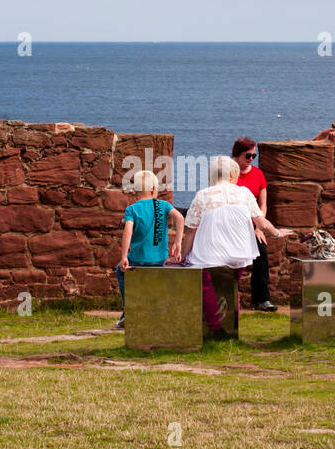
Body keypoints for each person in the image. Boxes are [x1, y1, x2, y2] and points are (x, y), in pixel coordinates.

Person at [183, 155, 293, 339]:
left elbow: (191, 232)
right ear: (233, 174)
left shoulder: (203, 195)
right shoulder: (244, 193)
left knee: (204, 283)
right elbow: (262, 223)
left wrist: (183, 256)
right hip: (240, 254)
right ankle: (232, 323)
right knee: (231, 284)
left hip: (209, 254)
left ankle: (216, 327)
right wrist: (277, 233)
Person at [114, 170, 184, 329]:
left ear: (135, 191)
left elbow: (128, 230)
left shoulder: (131, 209)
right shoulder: (163, 205)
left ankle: (128, 312)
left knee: (120, 270)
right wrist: (178, 242)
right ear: (154, 190)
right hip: (159, 260)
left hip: (137, 260)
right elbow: (180, 217)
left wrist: (124, 256)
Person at [232, 136, 276, 311]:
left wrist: (259, 227)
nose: (251, 160)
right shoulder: (229, 175)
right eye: (247, 156)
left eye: (253, 156)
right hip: (234, 224)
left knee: (262, 255)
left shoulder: (258, 174)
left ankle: (262, 299)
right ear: (236, 156)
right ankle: (228, 298)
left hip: (253, 224)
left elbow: (262, 204)